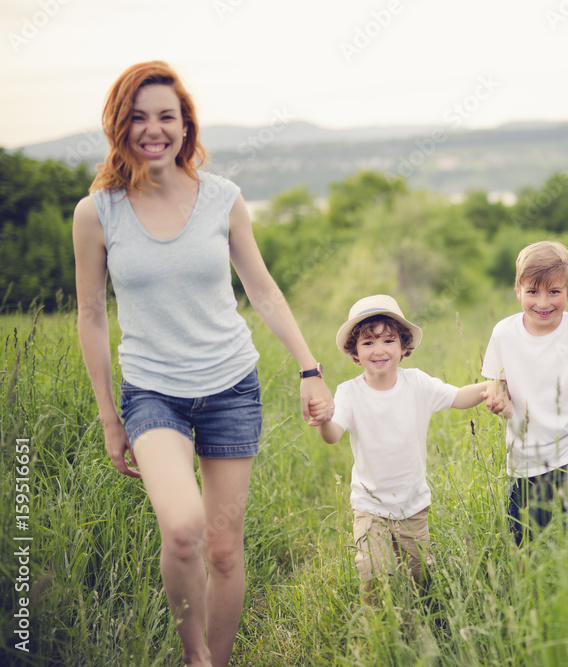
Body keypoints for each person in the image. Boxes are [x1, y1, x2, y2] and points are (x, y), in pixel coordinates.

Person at [73, 61, 332, 667]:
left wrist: (309, 367)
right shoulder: (97, 213)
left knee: (223, 549)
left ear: (185, 125)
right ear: (119, 125)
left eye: (166, 116)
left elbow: (263, 290)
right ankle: (195, 659)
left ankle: (218, 661)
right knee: (184, 529)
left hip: (231, 389)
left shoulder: (223, 198)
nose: (153, 129)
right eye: (138, 117)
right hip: (152, 394)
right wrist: (110, 417)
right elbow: (90, 315)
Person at [308, 294, 505, 603]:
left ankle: (418, 625)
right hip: (370, 505)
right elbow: (332, 435)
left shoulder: (417, 384)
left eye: (388, 340)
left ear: (403, 346)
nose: (379, 350)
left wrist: (487, 388)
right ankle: (377, 632)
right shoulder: (349, 393)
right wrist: (322, 419)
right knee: (374, 574)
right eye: (368, 343)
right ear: (355, 353)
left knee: (419, 579)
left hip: (412, 506)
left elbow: (457, 397)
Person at [481, 241, 568, 547]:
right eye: (532, 292)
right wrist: (496, 396)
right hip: (526, 455)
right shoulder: (504, 333)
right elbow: (495, 382)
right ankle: (527, 593)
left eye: (554, 292)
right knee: (525, 541)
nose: (543, 302)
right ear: (518, 290)